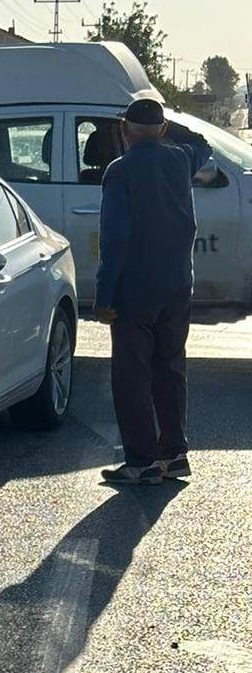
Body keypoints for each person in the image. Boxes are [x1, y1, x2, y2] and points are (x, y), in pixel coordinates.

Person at [95, 95, 212, 485]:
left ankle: (141, 461)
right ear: (162, 129)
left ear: (124, 131)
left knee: (131, 377)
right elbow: (204, 143)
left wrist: (104, 295)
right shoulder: (181, 160)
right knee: (170, 369)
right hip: (178, 285)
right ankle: (174, 454)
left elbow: (114, 240)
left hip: (134, 291)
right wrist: (166, 125)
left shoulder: (120, 171)